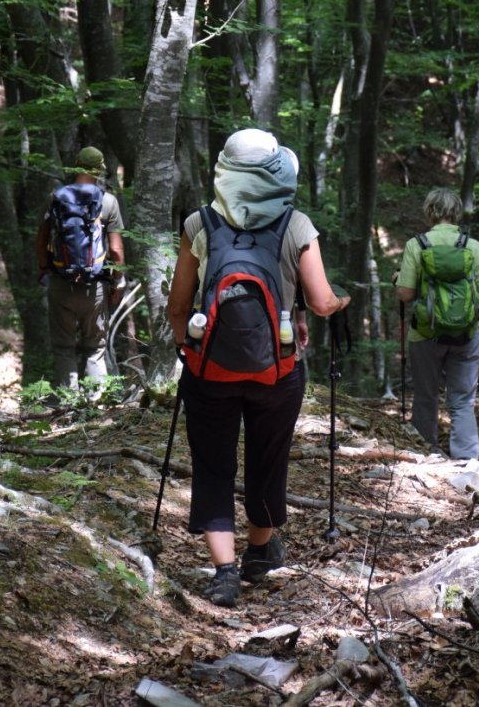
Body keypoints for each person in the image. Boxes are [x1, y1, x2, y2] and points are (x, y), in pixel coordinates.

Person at [166, 128, 351, 607]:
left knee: (212, 464)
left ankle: (223, 572)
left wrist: (186, 345)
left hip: (209, 370)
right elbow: (322, 299)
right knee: (268, 458)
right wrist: (336, 304)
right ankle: (259, 552)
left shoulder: (199, 223)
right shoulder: (296, 224)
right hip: (279, 370)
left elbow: (178, 304)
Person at [396, 188, 479, 461]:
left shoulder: (416, 245)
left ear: (430, 211)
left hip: (424, 334)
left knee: (425, 395)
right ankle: (465, 458)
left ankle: (424, 452)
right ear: (456, 213)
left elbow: (404, 294)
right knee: (462, 400)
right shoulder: (472, 246)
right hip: (466, 335)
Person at [35, 146, 126, 390]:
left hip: (60, 282)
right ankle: (96, 406)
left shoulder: (56, 197)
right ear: (100, 170)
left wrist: (44, 269)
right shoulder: (107, 202)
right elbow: (116, 250)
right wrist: (118, 280)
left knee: (63, 348)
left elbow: (40, 239)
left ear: (76, 166)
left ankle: (69, 404)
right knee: (95, 348)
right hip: (94, 286)